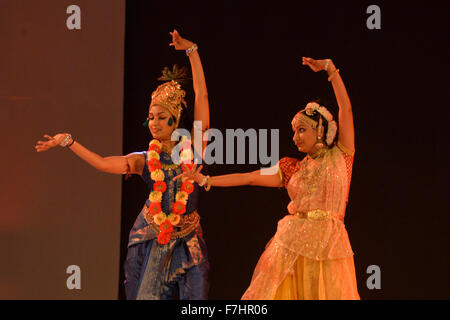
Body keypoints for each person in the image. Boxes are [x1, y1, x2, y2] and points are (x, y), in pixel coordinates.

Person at [35, 30, 211, 300]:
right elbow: (103, 164)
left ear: (176, 120)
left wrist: (192, 50)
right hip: (151, 238)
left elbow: (202, 98)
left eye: (161, 117)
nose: (153, 123)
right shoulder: (143, 158)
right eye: (150, 117)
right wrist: (68, 141)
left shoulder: (195, 148)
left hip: (189, 240)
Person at [175, 57, 360, 300]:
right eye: (294, 132)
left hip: (329, 248)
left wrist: (330, 69)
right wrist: (207, 180)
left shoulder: (342, 155)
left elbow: (345, 109)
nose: (295, 137)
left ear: (322, 130)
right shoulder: (292, 168)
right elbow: (250, 177)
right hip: (292, 246)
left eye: (301, 130)